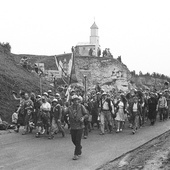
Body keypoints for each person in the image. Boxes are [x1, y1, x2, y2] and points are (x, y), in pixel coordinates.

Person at [68, 95, 89, 160]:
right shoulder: (69, 107)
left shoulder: (81, 106)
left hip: (80, 126)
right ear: (72, 101)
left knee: (77, 140)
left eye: (77, 100)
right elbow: (65, 113)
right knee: (73, 140)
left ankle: (76, 154)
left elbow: (86, 114)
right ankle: (79, 147)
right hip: (72, 126)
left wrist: (83, 118)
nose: (76, 101)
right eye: (74, 100)